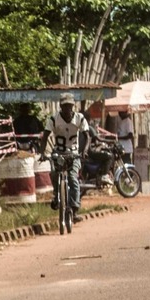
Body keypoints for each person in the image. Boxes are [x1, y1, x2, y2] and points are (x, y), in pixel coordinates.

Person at [39, 93, 97, 223]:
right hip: (58, 153)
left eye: (70, 106)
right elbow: (45, 137)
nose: (67, 109)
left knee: (73, 179)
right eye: (65, 106)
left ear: (73, 106)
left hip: (74, 154)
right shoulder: (53, 119)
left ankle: (74, 209)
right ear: (61, 107)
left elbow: (87, 136)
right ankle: (56, 194)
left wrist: (85, 151)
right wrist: (42, 153)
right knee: (54, 174)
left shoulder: (79, 118)